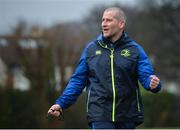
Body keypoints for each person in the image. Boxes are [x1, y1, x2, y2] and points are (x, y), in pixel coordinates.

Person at [47, 7, 162, 129]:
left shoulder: (135, 50)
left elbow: (147, 76)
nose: (104, 24)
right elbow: (77, 81)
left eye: (109, 20)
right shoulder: (90, 49)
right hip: (99, 113)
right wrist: (61, 104)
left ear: (121, 24)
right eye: (103, 20)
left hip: (127, 114)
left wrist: (153, 84)